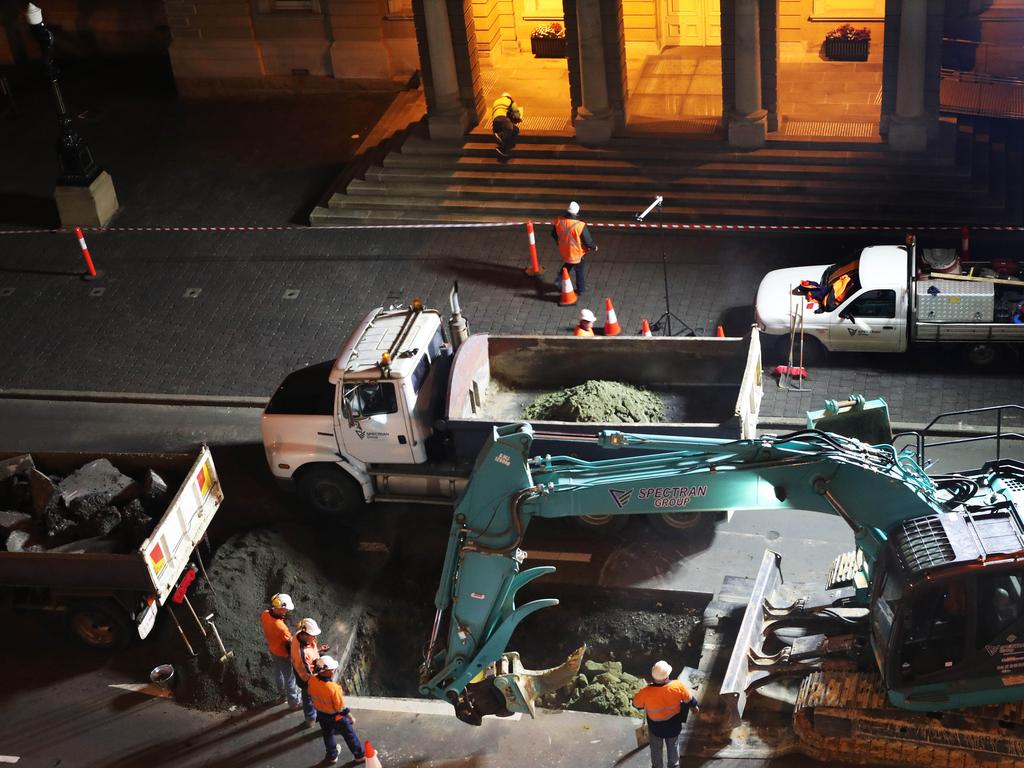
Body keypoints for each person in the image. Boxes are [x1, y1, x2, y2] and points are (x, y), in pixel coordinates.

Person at [632, 660, 699, 768]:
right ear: (667, 675)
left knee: (655, 748)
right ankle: (674, 766)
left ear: (653, 676)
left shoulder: (645, 691)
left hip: (655, 727)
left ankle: (657, 766)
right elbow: (690, 699)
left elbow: (636, 704)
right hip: (673, 725)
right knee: (673, 746)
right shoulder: (677, 686)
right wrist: (694, 707)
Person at [309, 655, 365, 765]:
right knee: (350, 735)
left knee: (328, 734)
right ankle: (359, 755)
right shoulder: (332, 688)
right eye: (332, 669)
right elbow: (340, 707)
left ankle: (332, 756)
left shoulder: (312, 680)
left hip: (321, 715)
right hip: (336, 717)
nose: (334, 670)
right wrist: (350, 716)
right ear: (325, 671)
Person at [259, 593, 301, 710]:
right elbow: (291, 642)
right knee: (290, 678)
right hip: (283, 654)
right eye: (285, 609)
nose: (286, 611)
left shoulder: (265, 614)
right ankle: (294, 702)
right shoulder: (281, 627)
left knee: (279, 673)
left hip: (273, 649)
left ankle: (282, 696)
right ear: (280, 607)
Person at [552, 201, 597, 296]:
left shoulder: (559, 221)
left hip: (565, 250)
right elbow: (588, 241)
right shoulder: (580, 225)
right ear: (576, 213)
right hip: (577, 253)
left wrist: (559, 242)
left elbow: (554, 234)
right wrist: (594, 247)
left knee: (568, 264)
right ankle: (581, 289)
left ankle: (558, 279)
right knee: (579, 270)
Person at [291, 617, 329, 728]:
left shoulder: (299, 634)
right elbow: (308, 675)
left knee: (308, 696)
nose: (315, 637)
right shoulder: (301, 654)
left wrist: (319, 650)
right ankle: (310, 718)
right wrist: (320, 672)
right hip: (306, 679)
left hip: (306, 670)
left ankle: (311, 715)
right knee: (308, 696)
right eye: (312, 635)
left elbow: (310, 652)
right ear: (304, 634)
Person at [491, 92, 523, 159]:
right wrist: (518, 118)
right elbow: (517, 114)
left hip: (495, 122)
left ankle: (499, 135)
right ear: (509, 97)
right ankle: (502, 145)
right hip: (503, 118)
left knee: (510, 129)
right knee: (510, 129)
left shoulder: (496, 101)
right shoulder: (510, 101)